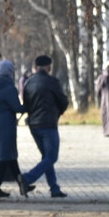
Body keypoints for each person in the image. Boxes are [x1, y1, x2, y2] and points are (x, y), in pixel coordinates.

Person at [20, 54, 69, 199]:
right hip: (48, 124)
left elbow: (26, 104)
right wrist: (58, 112)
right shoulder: (52, 82)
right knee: (51, 157)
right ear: (48, 67)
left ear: (35, 67)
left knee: (46, 157)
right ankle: (27, 178)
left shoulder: (28, 83)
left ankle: (54, 188)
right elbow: (63, 101)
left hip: (34, 125)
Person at [0, 59, 30, 198]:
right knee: (4, 157)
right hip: (4, 125)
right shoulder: (8, 87)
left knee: (8, 156)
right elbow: (17, 107)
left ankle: (23, 185)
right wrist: (30, 104)